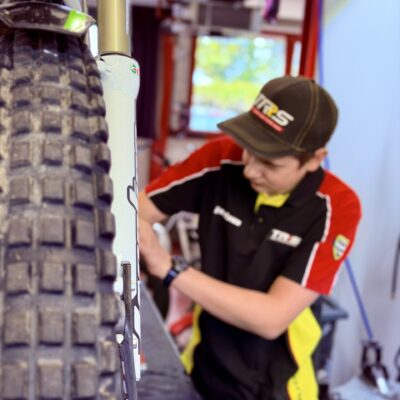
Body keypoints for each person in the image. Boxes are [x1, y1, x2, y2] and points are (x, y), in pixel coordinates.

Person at [138, 75, 361, 400]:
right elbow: (135, 211)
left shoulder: (336, 207)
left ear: (314, 159)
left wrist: (170, 269)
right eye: (249, 149)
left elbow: (272, 318)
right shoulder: (219, 159)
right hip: (203, 369)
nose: (250, 170)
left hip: (279, 386)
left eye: (270, 162)